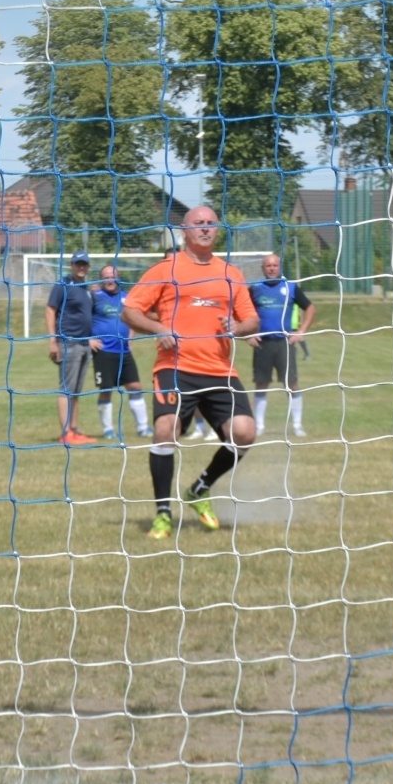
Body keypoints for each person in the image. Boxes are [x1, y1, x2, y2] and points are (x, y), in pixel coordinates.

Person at [122, 206, 259, 540]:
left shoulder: (231, 274)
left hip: (218, 370)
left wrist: (237, 327)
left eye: (211, 223)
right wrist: (157, 327)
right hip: (175, 367)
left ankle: (200, 489)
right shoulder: (166, 269)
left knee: (245, 432)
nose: (205, 228)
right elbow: (129, 311)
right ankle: (163, 515)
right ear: (184, 231)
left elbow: (253, 321)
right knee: (165, 429)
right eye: (198, 223)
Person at [247, 253, 315, 436]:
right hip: (262, 344)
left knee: (292, 383)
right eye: (268, 265)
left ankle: (297, 425)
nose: (271, 268)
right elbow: (241, 311)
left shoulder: (291, 288)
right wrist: (248, 335)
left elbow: (310, 308)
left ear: (280, 267)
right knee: (261, 383)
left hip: (284, 343)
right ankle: (259, 426)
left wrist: (301, 331)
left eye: (274, 265)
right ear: (262, 268)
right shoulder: (255, 289)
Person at [90, 265, 152, 440]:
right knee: (106, 389)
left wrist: (131, 336)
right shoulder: (94, 297)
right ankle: (108, 430)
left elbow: (135, 318)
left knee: (135, 387)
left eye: (112, 276)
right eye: (106, 277)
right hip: (103, 351)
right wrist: (88, 339)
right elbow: (83, 319)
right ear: (101, 279)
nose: (109, 279)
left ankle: (143, 428)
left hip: (124, 352)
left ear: (118, 278)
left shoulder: (128, 297)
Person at [46, 250, 96, 446]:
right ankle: (65, 432)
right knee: (66, 389)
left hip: (84, 344)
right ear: (71, 266)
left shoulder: (87, 288)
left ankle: (74, 430)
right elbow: (50, 310)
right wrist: (53, 340)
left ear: (89, 266)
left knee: (76, 390)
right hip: (69, 342)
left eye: (84, 264)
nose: (81, 267)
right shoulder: (63, 285)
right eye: (78, 264)